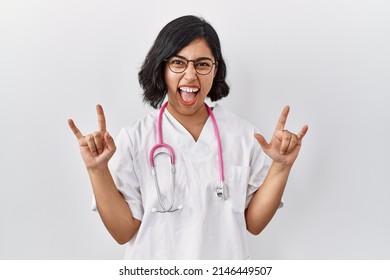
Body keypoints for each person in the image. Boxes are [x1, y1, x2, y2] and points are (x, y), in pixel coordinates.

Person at [68, 15, 308, 259]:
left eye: (202, 64)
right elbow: (122, 231)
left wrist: (280, 167)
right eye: (178, 63)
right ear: (161, 68)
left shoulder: (243, 135)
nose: (191, 75)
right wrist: (97, 170)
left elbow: (254, 224)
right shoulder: (134, 138)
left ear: (215, 69)